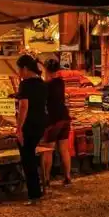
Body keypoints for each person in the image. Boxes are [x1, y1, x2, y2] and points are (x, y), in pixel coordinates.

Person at [15, 55, 48, 204]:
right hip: (41, 123)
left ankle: (34, 195)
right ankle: (37, 191)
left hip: (29, 124)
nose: (19, 73)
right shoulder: (42, 83)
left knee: (28, 159)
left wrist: (19, 128)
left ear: (25, 68)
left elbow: (24, 106)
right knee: (32, 157)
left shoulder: (25, 84)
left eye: (19, 70)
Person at [41, 59, 72, 187]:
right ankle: (67, 177)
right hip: (65, 117)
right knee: (64, 149)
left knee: (48, 150)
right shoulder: (60, 82)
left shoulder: (45, 85)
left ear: (46, 69)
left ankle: (46, 179)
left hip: (53, 120)